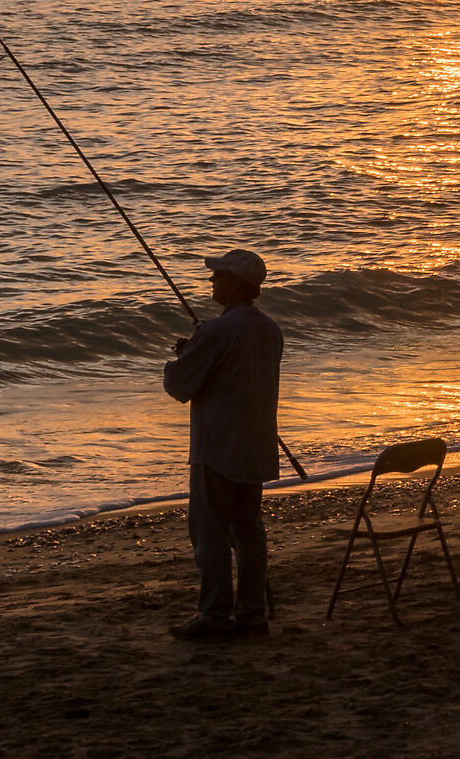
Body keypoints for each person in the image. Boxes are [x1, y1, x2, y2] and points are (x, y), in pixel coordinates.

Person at [162, 248, 284, 641]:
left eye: (218, 276)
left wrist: (181, 357)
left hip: (217, 447)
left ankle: (214, 615)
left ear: (235, 283)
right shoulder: (269, 329)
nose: (212, 281)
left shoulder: (216, 332)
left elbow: (180, 386)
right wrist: (195, 351)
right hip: (256, 446)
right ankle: (252, 614)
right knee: (248, 531)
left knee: (209, 531)